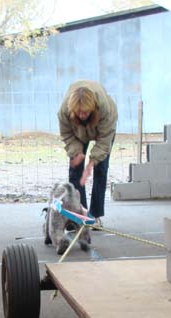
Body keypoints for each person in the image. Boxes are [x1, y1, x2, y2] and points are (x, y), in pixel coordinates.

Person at [57, 80, 117, 224]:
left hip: (101, 129)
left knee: (100, 169)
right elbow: (67, 134)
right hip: (77, 133)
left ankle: (95, 215)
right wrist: (77, 152)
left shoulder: (105, 109)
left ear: (92, 108)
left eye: (85, 112)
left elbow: (104, 141)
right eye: (79, 112)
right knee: (75, 172)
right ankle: (78, 215)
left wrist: (92, 162)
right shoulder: (65, 112)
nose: (82, 115)